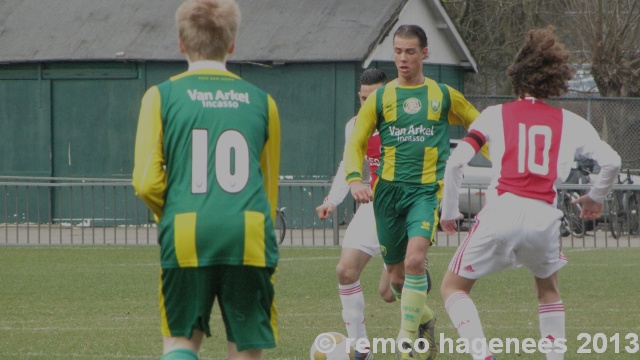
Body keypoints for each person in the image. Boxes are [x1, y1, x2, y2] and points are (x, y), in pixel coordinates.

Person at [439, 26, 621, 360]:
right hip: (544, 217)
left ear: (517, 75)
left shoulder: (494, 115)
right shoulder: (572, 121)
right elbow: (612, 161)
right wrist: (595, 196)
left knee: (452, 288)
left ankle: (482, 355)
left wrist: (449, 212)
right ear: (556, 80)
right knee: (548, 290)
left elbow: (454, 165)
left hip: (502, 210)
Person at [132, 1, 281, 359]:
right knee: (246, 345)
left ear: (181, 43)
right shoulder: (263, 102)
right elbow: (268, 185)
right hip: (248, 231)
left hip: (186, 227)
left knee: (181, 341)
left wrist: (172, 212)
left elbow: (146, 183)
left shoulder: (160, 96)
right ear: (232, 44)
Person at [344, 24, 483, 359]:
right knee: (395, 279)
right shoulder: (380, 97)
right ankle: (424, 318)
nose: (402, 59)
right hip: (387, 194)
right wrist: (354, 179)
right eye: (397, 51)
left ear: (425, 52)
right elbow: (357, 141)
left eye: (409, 51)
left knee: (415, 259)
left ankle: (406, 344)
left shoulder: (443, 95)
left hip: (425, 192)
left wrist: (508, 161)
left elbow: (482, 128)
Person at [316, 68, 395, 360]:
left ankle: (419, 304)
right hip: (373, 208)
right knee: (345, 271)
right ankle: (360, 350)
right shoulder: (355, 125)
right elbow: (348, 164)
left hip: (403, 209)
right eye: (363, 98)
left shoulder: (404, 122)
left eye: (374, 98)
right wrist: (332, 200)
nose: (368, 105)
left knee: (389, 293)